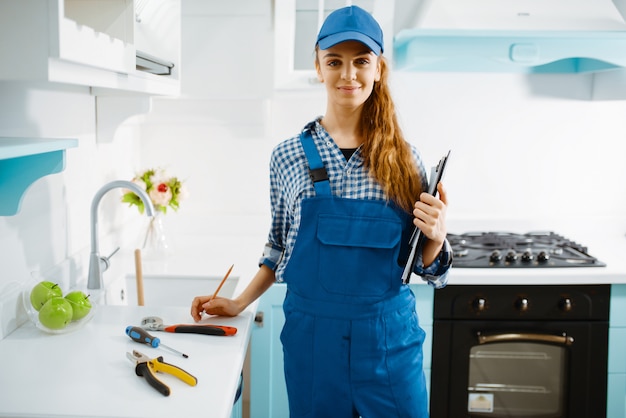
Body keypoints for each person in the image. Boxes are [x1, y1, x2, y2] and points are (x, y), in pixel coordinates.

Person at [191, 5, 452, 417]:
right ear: (318, 66)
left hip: (390, 344)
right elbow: (278, 248)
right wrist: (240, 302)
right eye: (335, 61)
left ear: (379, 69)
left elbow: (430, 272)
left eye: (361, 61)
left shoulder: (406, 160)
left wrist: (436, 238)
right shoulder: (288, 157)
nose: (348, 74)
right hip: (313, 345)